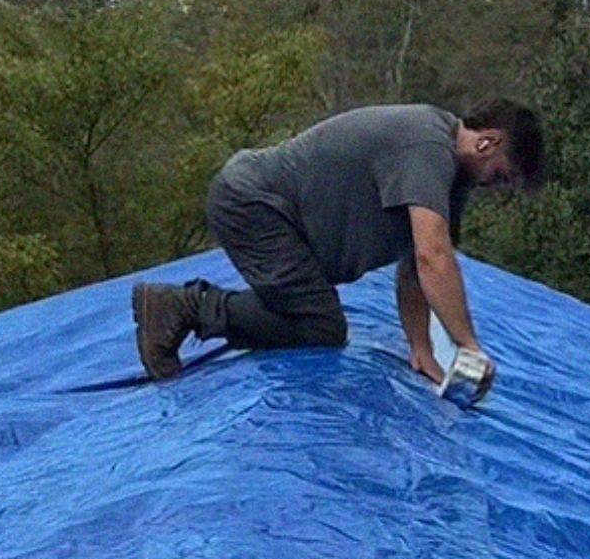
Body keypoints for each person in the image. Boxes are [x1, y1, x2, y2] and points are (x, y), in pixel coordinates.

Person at [133, 99, 546, 385]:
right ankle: (182, 308)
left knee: (314, 318)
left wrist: (421, 349)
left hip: (277, 215)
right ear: (487, 142)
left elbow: (415, 267)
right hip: (256, 204)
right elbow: (432, 257)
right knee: (321, 325)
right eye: (504, 174)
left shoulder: (452, 183)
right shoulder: (428, 147)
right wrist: (469, 347)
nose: (498, 186)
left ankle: (186, 308)